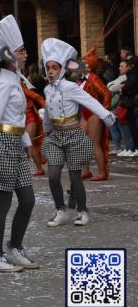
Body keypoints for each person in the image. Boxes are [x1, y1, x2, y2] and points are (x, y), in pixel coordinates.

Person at [0, 15, 39, 273]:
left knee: (28, 200)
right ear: (9, 56)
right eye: (21, 50)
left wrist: (25, 141)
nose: (25, 54)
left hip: (14, 143)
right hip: (1, 145)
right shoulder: (2, 83)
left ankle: (14, 247)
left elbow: (16, 118)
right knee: (2, 202)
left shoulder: (15, 80)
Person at [40, 38, 115, 227]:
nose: (50, 71)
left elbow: (89, 101)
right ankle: (60, 210)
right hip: (56, 137)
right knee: (54, 175)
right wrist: (46, 129)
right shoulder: (47, 89)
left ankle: (82, 211)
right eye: (48, 67)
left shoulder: (71, 87)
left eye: (54, 68)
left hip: (74, 135)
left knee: (75, 177)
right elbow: (48, 111)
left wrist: (106, 115)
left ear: (62, 69)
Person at [79, 47, 112, 181]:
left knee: (95, 144)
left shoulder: (93, 78)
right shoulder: (82, 79)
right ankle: (85, 171)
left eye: (84, 62)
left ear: (89, 65)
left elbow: (106, 93)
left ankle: (102, 173)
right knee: (83, 143)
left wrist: (103, 111)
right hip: (85, 112)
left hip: (93, 113)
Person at [108, 60, 133, 155]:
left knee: (125, 128)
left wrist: (114, 88)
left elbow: (111, 88)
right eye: (119, 66)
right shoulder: (120, 77)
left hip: (121, 105)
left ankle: (130, 148)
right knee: (115, 128)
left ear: (128, 67)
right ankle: (120, 147)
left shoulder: (126, 77)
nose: (119, 68)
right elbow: (110, 86)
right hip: (115, 106)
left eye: (122, 66)